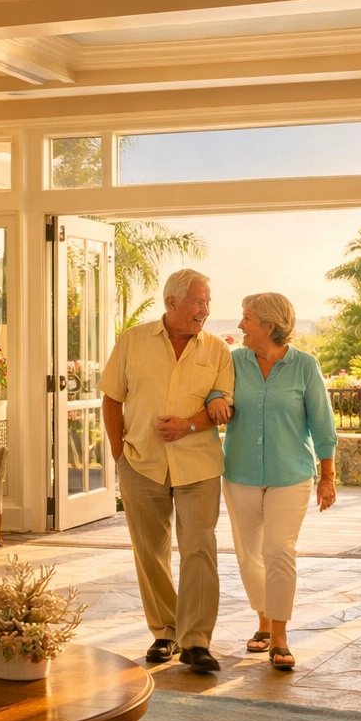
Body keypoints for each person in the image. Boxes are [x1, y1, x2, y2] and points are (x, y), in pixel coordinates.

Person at [99, 269, 235, 673]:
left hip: (199, 465)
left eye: (207, 302)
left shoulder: (218, 350)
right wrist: (119, 454)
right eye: (198, 301)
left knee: (199, 548)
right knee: (150, 552)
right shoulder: (132, 340)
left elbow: (224, 408)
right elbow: (112, 398)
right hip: (141, 463)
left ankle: (196, 642)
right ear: (172, 302)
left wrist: (188, 425)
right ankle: (165, 631)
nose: (205, 310)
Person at [219, 292, 337, 671]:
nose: (241, 325)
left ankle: (280, 636)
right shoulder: (234, 361)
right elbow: (216, 393)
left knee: (279, 551)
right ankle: (264, 621)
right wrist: (214, 400)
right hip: (240, 473)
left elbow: (322, 425)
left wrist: (328, 476)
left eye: (247, 318)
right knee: (249, 555)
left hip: (291, 475)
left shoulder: (305, 366)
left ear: (269, 325)